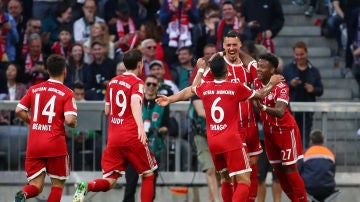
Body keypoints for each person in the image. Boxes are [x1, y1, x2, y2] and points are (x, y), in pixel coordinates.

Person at [156, 55, 284, 202]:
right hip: (231, 141)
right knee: (244, 181)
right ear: (227, 71)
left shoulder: (205, 87)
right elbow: (261, 94)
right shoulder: (236, 87)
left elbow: (189, 91)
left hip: (213, 142)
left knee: (226, 180)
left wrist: (170, 99)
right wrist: (272, 83)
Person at [72, 49, 157, 202]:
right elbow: (134, 103)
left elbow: (107, 110)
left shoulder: (113, 82)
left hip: (114, 138)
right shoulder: (137, 83)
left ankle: (86, 186)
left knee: (110, 181)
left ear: (124, 65)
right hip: (132, 135)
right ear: (140, 64)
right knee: (148, 173)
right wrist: (140, 127)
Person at [201, 30, 261, 202]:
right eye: (228, 45)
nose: (232, 48)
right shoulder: (216, 67)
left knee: (252, 169)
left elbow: (257, 79)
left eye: (235, 44)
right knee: (231, 174)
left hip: (250, 126)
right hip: (231, 130)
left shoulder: (247, 66)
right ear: (223, 46)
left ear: (240, 45)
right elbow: (200, 86)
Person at [14, 54, 78, 201]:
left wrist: (33, 122)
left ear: (48, 71)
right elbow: (69, 120)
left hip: (35, 144)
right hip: (55, 145)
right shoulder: (67, 93)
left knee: (36, 186)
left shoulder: (34, 89)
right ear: (65, 71)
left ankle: (23, 194)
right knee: (57, 186)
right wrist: (74, 123)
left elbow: (18, 110)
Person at [254, 53, 308, 202]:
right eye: (258, 66)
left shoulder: (282, 86)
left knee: (290, 169)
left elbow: (279, 111)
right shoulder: (257, 82)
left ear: (272, 70)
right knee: (278, 172)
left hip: (285, 132)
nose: (258, 69)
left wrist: (263, 107)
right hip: (269, 134)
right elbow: (247, 59)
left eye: (262, 67)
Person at [123, 74, 170, 202]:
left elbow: (167, 126)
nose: (150, 87)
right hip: (135, 148)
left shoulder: (162, 103)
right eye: (148, 84)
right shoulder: (137, 100)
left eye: (154, 84)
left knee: (150, 184)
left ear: (158, 86)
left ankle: (86, 187)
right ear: (144, 85)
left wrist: (158, 130)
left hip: (153, 149)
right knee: (130, 184)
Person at [188, 43, 220, 202]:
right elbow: (200, 111)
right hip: (202, 133)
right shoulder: (198, 81)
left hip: (218, 133)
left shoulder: (222, 79)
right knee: (210, 170)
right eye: (207, 54)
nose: (210, 56)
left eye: (213, 53)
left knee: (219, 172)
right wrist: (222, 116)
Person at [282, 41, 324, 149]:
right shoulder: (287, 69)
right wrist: (290, 84)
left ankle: (302, 160)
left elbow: (320, 90)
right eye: (297, 54)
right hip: (290, 110)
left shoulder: (314, 71)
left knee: (305, 136)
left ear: (306, 53)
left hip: (308, 111)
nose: (299, 57)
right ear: (293, 54)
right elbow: (280, 87)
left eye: (301, 54)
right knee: (291, 137)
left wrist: (313, 89)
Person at [299, 129, 336, 202]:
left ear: (311, 141)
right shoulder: (330, 154)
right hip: (328, 188)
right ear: (323, 141)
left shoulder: (306, 153)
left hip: (309, 187)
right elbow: (333, 172)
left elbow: (299, 171)